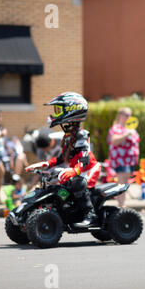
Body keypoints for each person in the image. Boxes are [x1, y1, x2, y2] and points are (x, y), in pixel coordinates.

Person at [25, 92, 101, 228]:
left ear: (72, 110)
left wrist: (74, 171)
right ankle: (66, 210)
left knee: (77, 183)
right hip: (77, 168)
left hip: (88, 169)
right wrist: (47, 164)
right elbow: (62, 157)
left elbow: (85, 157)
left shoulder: (81, 134)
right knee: (55, 184)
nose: (56, 113)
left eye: (59, 109)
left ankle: (90, 215)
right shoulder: (68, 135)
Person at [107, 107, 140, 207]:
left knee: (125, 183)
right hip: (121, 160)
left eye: (130, 115)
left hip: (129, 160)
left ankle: (122, 203)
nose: (128, 117)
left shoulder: (130, 128)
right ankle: (121, 204)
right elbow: (114, 140)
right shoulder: (116, 128)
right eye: (126, 115)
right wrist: (126, 134)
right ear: (120, 115)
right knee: (121, 182)